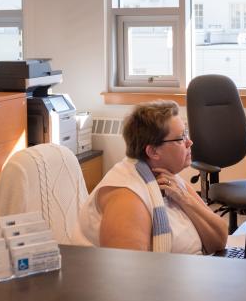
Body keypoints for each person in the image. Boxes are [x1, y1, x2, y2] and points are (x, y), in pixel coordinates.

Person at [70, 100, 228, 254]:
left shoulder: (170, 179)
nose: (190, 142)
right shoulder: (127, 197)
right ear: (153, 151)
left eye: (186, 134)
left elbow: (219, 239)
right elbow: (128, 276)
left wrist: (184, 199)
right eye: (181, 138)